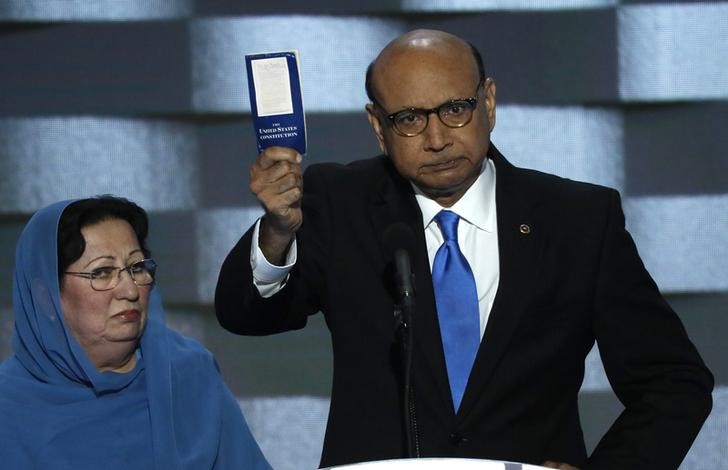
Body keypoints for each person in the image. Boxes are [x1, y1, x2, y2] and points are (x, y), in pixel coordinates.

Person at [215, 29, 713, 469]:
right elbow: (245, 314)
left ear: (488, 102)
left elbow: (672, 382)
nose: (436, 138)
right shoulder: (339, 202)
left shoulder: (577, 219)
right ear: (377, 126)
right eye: (409, 118)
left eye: (455, 109)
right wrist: (278, 231)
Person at [0, 196, 271, 469]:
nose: (130, 291)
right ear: (45, 296)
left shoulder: (188, 373)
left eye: (137, 268)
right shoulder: (8, 406)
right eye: (103, 272)